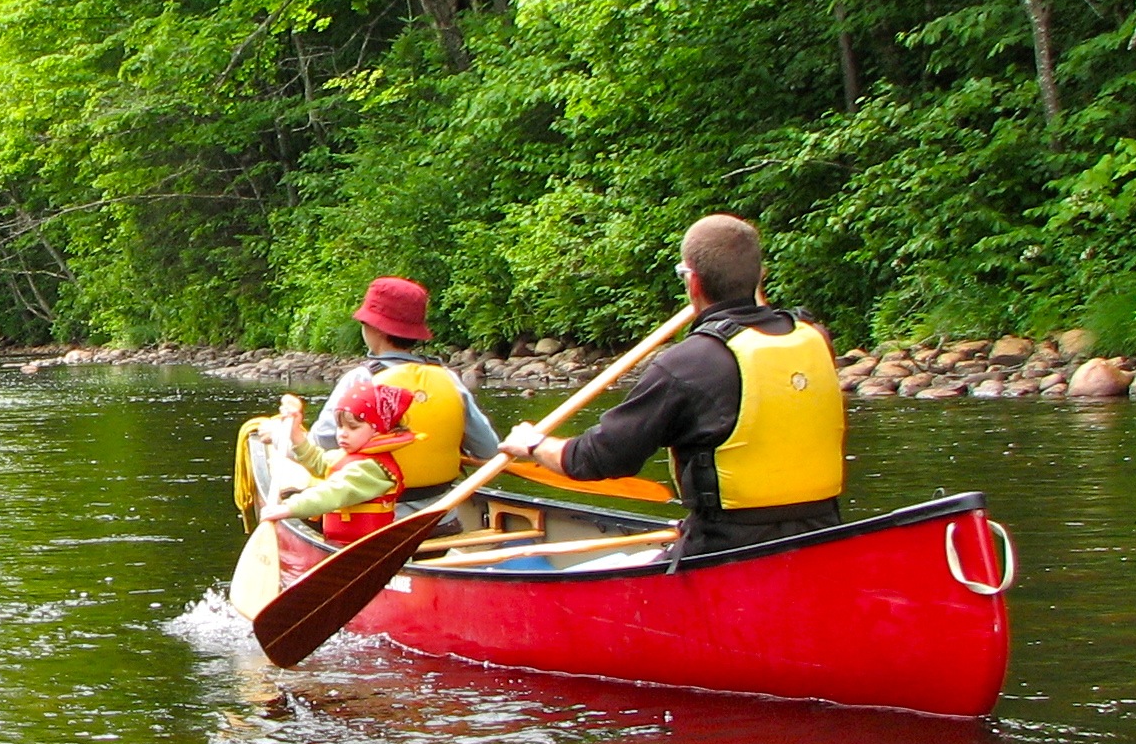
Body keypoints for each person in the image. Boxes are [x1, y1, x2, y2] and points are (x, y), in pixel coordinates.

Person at [499, 214, 845, 559]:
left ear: (693, 283)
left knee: (594, 572)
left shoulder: (688, 363)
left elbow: (599, 458)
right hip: (823, 543)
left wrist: (534, 444)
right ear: (761, 276)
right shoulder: (816, 339)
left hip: (724, 553)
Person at [311, 276, 500, 507]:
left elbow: (321, 442)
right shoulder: (448, 379)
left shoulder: (361, 379)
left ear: (374, 328)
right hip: (441, 518)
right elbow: (488, 449)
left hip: (377, 522)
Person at [261, 382, 416, 544]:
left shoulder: (371, 470)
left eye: (353, 427)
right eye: (340, 426)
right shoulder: (345, 456)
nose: (343, 434)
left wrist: (288, 508)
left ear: (378, 430)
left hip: (368, 551)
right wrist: (295, 433)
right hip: (342, 545)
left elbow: (331, 493)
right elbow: (319, 462)